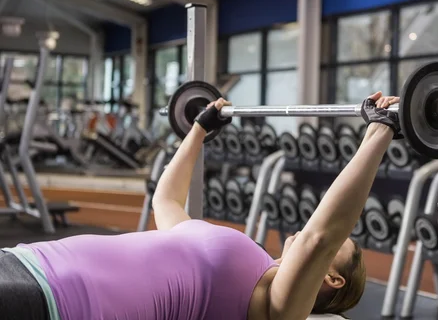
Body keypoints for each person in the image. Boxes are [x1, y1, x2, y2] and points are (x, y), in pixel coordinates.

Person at [0, 92, 403, 320]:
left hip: (62, 302)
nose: (299, 232)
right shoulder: (254, 258)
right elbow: (167, 200)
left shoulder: (278, 307)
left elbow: (321, 235)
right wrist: (200, 128)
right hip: (34, 259)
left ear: (333, 279)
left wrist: (380, 132)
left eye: (340, 248)